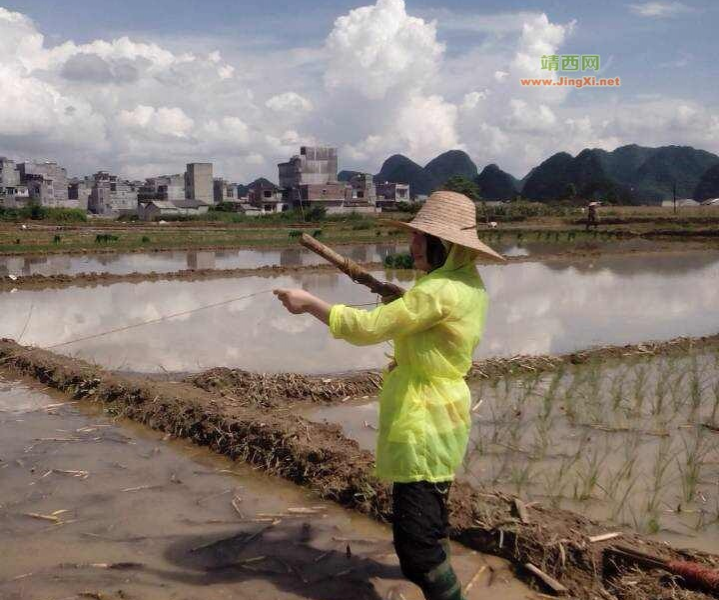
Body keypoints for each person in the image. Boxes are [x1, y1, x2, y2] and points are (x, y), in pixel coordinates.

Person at [274, 191, 504, 600]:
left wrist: (309, 303)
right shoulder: (466, 283)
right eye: (414, 235)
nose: (412, 245)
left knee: (416, 551)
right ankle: (442, 567)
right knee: (430, 515)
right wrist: (404, 303)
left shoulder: (437, 292)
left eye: (421, 237)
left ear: (446, 245)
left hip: (425, 420)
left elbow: (367, 329)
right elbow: (426, 320)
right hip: (444, 414)